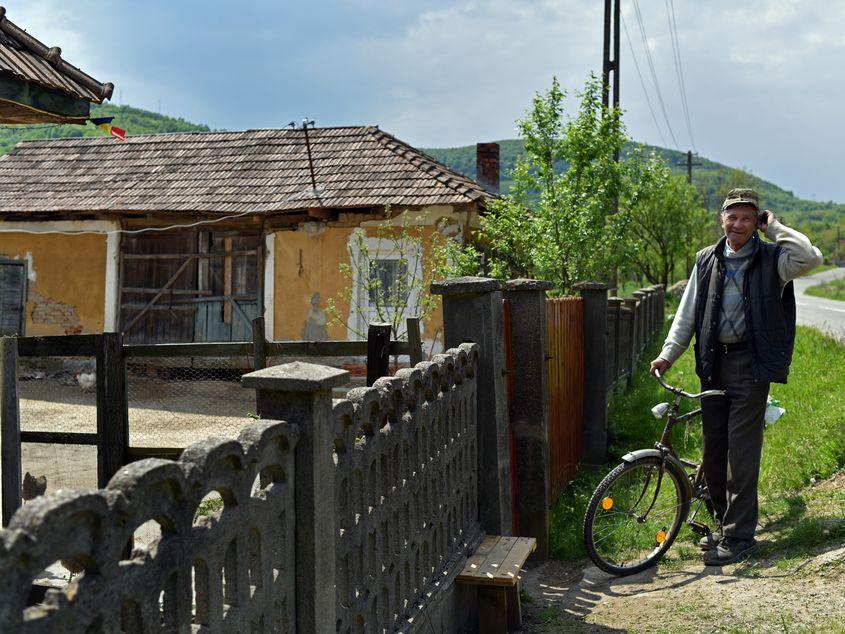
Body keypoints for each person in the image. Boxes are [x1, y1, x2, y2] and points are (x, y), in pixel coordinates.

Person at [650, 187, 823, 566]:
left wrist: (774, 227)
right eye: (733, 216)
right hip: (713, 363)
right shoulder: (706, 260)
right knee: (714, 449)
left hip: (751, 365)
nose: (739, 224)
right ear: (722, 219)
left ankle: (741, 536)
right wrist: (667, 354)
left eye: (748, 217)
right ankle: (720, 524)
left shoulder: (773, 258)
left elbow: (811, 257)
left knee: (740, 455)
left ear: (757, 221)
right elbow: (688, 315)